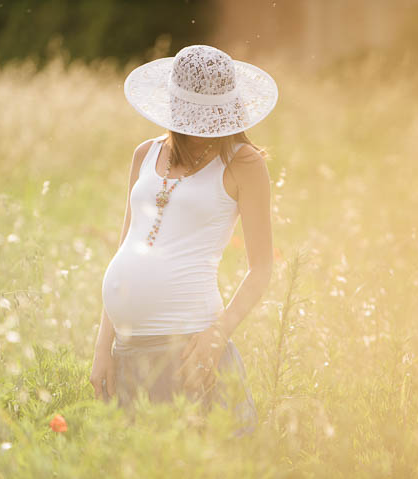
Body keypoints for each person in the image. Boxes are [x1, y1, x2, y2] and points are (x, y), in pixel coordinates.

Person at [89, 45, 278, 436]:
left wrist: (217, 335)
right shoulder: (145, 153)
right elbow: (126, 248)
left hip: (191, 348)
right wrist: (101, 347)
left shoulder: (244, 163)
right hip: (127, 350)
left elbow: (261, 268)